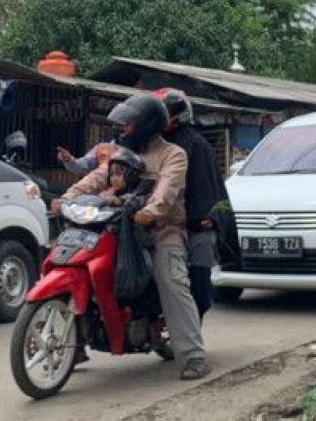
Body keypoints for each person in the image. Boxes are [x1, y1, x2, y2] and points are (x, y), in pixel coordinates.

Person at [53, 93, 210, 380]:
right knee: (83, 265)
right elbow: (96, 178)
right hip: (118, 226)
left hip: (161, 230)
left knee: (171, 280)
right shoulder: (120, 152)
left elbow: (167, 189)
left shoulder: (173, 154)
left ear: (147, 124)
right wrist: (67, 198)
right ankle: (74, 345)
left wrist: (151, 211)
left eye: (127, 124)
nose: (121, 129)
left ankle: (193, 355)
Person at [155, 88, 241, 318]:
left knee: (199, 287)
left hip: (196, 223)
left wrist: (203, 217)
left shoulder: (196, 143)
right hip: (161, 220)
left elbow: (205, 185)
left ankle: (193, 331)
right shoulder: (154, 144)